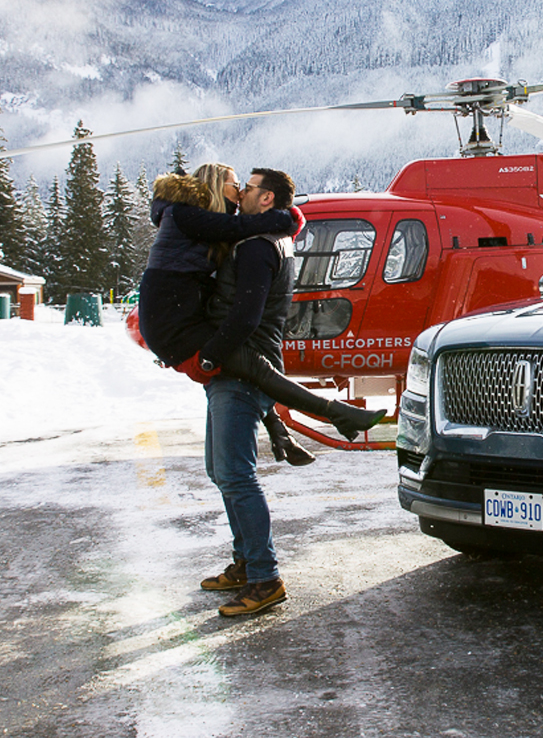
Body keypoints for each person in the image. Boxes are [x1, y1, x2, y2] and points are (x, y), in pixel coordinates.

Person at [137, 164, 386, 457]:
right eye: (235, 185)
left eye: (245, 187)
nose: (240, 192)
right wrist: (287, 219)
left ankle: (285, 433)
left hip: (178, 318)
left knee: (249, 368)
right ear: (217, 187)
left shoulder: (200, 223)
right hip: (171, 324)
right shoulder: (185, 215)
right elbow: (240, 228)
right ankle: (333, 412)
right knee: (253, 367)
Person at [199, 168, 314, 615]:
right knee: (220, 470)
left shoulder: (257, 248)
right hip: (237, 367)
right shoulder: (266, 241)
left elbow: (245, 315)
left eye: (248, 187)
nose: (241, 192)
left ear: (266, 200)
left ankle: (265, 578)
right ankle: (246, 563)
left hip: (244, 368)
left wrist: (209, 355)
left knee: (236, 475)